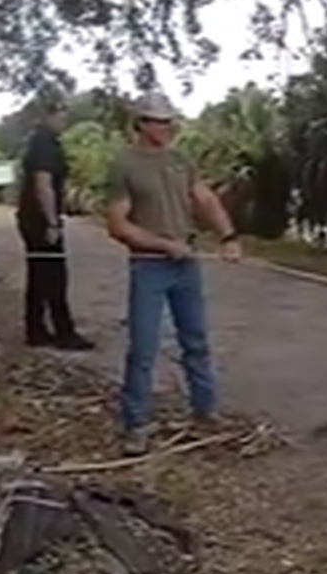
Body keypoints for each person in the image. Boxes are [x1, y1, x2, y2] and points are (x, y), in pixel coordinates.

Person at [103, 92, 242, 457]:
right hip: (149, 267)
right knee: (143, 350)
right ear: (142, 124)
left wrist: (228, 236)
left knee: (196, 342)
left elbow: (206, 200)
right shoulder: (125, 165)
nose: (166, 128)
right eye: (158, 121)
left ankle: (205, 412)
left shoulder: (181, 159)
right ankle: (135, 425)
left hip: (186, 266)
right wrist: (164, 245)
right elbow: (117, 225)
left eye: (169, 121)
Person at [16, 99, 94, 350]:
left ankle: (35, 329)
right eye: (61, 115)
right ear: (47, 116)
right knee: (54, 274)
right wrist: (52, 222)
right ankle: (64, 332)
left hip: (31, 217)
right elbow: (43, 185)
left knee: (39, 273)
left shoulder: (38, 142)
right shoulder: (44, 145)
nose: (65, 121)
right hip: (40, 219)